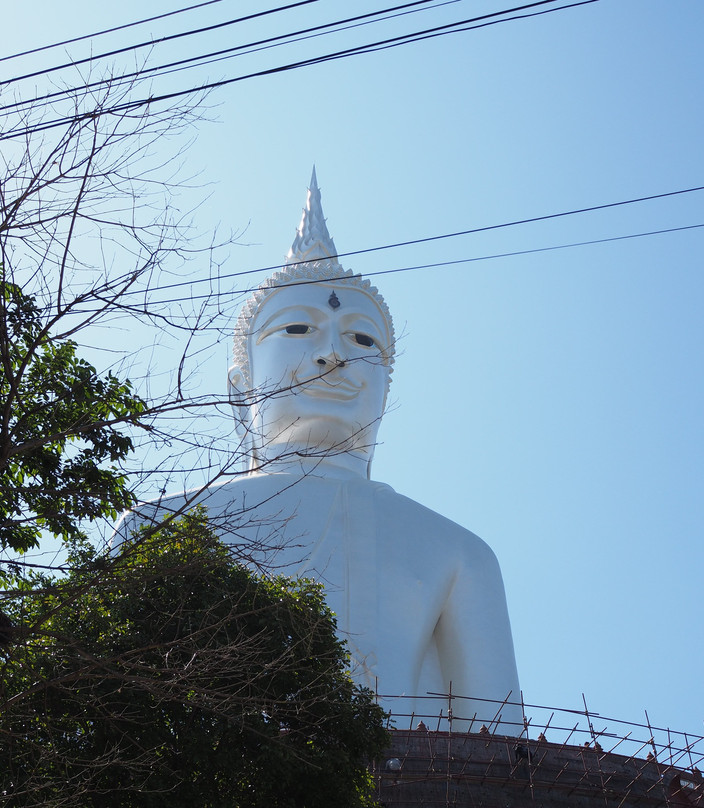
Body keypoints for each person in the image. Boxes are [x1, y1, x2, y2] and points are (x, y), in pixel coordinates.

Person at [116, 171, 523, 731]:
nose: (333, 353)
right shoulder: (159, 526)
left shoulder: (458, 553)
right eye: (298, 328)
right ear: (241, 390)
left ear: (385, 390)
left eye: (362, 339)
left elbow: (500, 749)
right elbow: (102, 715)